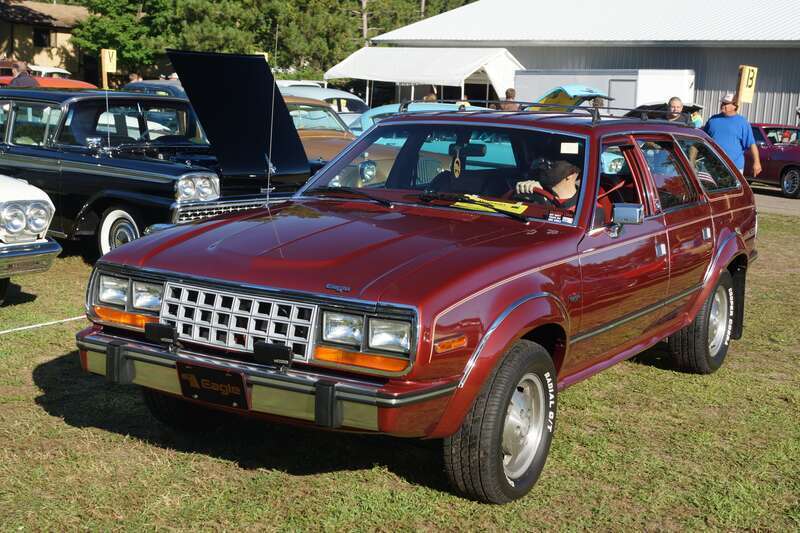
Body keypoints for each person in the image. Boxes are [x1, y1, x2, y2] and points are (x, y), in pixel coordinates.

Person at [703, 93, 762, 176]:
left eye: (726, 103)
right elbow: (702, 139)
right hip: (713, 165)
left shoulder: (742, 122)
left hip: (734, 167)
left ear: (734, 106)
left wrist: (757, 162)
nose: (723, 105)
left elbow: (751, 144)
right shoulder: (713, 120)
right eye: (722, 103)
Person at [515, 160, 580, 211]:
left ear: (570, 173)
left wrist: (543, 204)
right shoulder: (531, 191)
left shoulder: (581, 208)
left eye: (552, 164)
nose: (542, 167)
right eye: (543, 162)